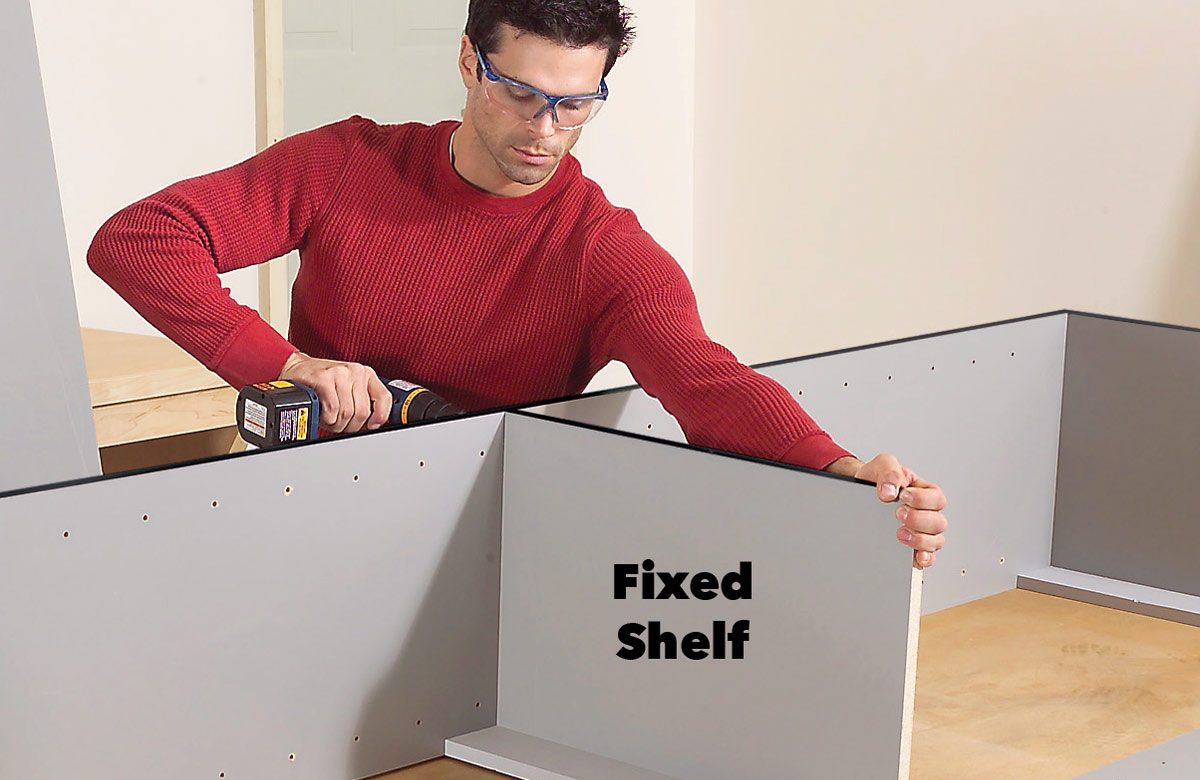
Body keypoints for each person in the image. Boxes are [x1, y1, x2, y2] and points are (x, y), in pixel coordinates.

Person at [88, 0, 947, 567]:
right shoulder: (347, 164)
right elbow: (138, 240)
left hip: (470, 547)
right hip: (300, 515)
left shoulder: (602, 250)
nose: (546, 131)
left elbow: (702, 378)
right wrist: (287, 365)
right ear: (469, 62)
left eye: (576, 104)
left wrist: (838, 472)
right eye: (521, 95)